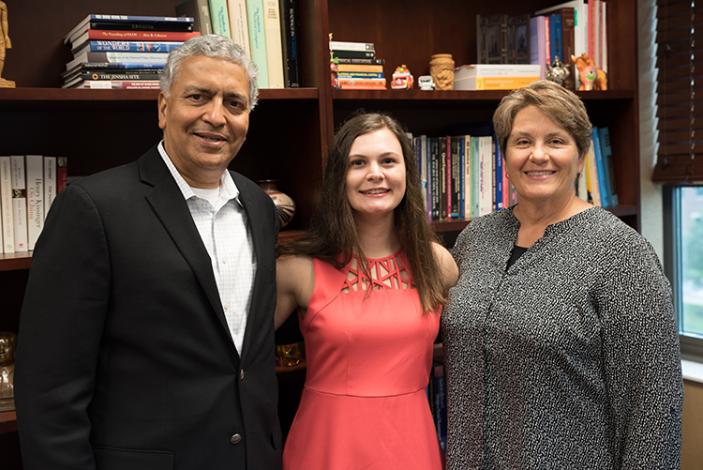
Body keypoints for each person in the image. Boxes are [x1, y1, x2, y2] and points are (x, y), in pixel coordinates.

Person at [15, 34, 282, 469]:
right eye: (198, 97)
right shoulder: (93, 208)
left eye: (234, 104)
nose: (216, 117)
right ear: (163, 107)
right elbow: (49, 388)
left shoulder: (258, 206)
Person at [442, 80, 683, 469]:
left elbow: (653, 409)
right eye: (522, 142)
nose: (538, 155)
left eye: (556, 141)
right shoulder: (477, 238)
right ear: (504, 153)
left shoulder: (621, 254)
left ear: (582, 153)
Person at [275, 112, 458, 470]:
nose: (375, 173)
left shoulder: (438, 264)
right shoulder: (295, 268)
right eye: (358, 163)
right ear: (338, 178)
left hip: (411, 446)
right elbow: (236, 358)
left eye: (388, 161)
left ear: (407, 173)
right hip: (326, 448)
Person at [0, 0, 14, 86]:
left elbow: (4, 21)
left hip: (0, 33)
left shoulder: (2, 5)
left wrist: (6, 36)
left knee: (1, 54)